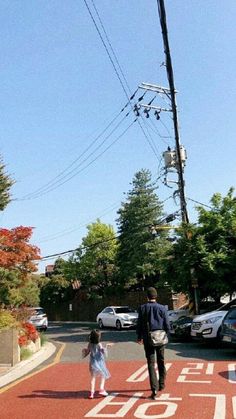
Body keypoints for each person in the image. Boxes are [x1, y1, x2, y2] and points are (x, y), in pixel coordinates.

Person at [136, 287, 170, 400]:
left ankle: (154, 389)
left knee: (151, 363)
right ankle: (162, 384)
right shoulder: (162, 308)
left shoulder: (142, 308)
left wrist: (139, 337)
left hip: (148, 338)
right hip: (160, 338)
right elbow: (167, 324)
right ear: (156, 296)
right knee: (161, 361)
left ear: (147, 297)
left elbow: (139, 324)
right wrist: (167, 334)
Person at [82, 329, 113, 399]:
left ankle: (92, 393)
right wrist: (107, 346)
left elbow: (87, 351)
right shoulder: (99, 344)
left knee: (93, 378)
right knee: (103, 375)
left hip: (92, 363)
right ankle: (101, 389)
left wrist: (84, 351)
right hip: (99, 362)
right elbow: (102, 351)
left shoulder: (89, 344)